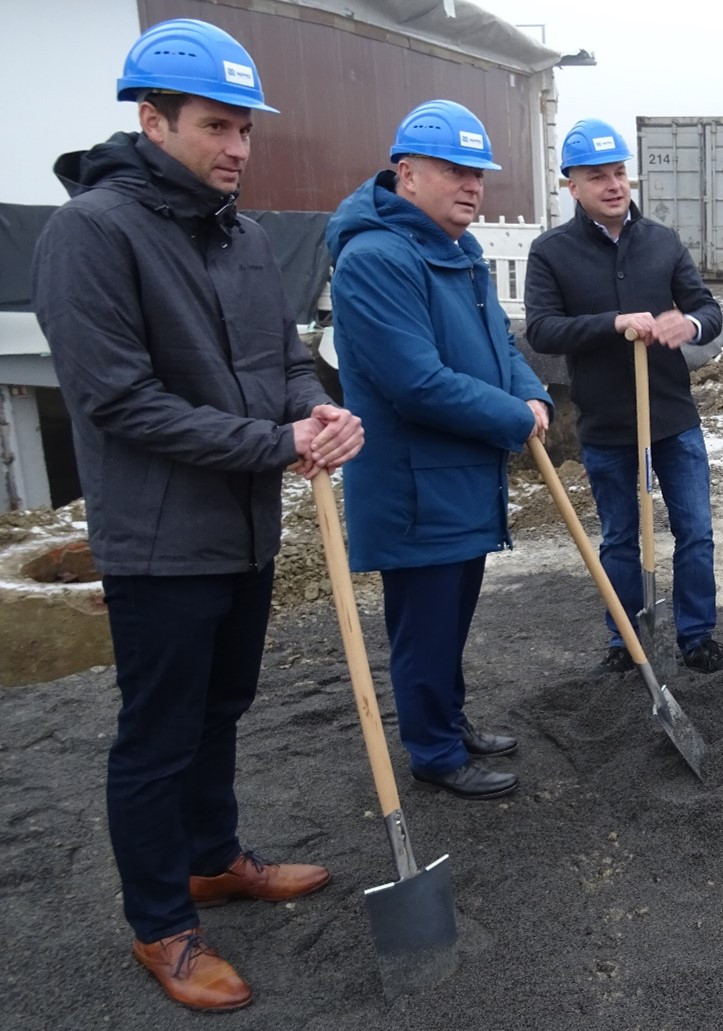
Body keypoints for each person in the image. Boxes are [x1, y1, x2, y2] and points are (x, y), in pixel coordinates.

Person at [30, 19, 364, 1012]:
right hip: (159, 538)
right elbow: (119, 401)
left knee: (223, 708)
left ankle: (214, 857)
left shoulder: (244, 236)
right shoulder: (90, 233)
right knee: (158, 732)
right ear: (152, 118)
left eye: (245, 129)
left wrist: (314, 405)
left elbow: (283, 356)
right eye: (216, 126)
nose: (237, 147)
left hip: (245, 528)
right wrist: (278, 445)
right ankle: (161, 922)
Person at [326, 100, 553, 801]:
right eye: (454, 170)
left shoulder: (459, 251)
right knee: (423, 628)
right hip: (413, 487)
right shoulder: (374, 260)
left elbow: (500, 347)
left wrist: (533, 391)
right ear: (406, 173)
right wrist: (511, 417)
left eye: (477, 173)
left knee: (451, 619)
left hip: (460, 479)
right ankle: (432, 750)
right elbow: (415, 383)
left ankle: (449, 721)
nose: (472, 186)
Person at [523, 118, 723, 674]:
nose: (614, 185)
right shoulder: (552, 252)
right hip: (607, 422)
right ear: (571, 186)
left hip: (673, 417)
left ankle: (697, 637)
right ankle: (625, 641)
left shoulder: (663, 242)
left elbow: (709, 311)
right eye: (597, 176)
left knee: (695, 531)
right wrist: (611, 323)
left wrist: (688, 326)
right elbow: (543, 329)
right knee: (621, 538)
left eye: (620, 173)